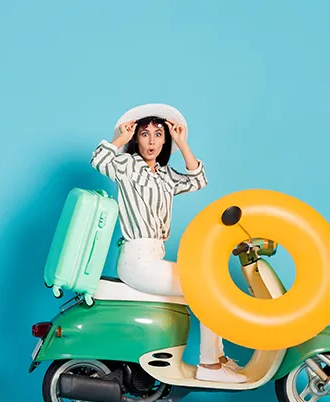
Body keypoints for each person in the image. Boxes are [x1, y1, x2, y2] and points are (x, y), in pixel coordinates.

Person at [89, 106, 246, 383]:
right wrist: (121, 139)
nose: (151, 141)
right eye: (144, 134)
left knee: (208, 286)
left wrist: (183, 142)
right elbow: (98, 159)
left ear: (165, 141)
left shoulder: (165, 175)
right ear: (136, 139)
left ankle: (218, 359)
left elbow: (199, 180)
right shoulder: (126, 167)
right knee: (205, 289)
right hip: (137, 259)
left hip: (154, 257)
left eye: (158, 134)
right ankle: (210, 367)